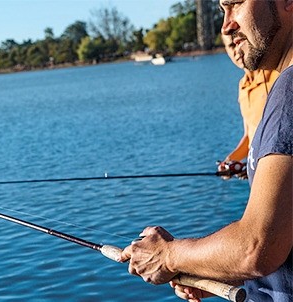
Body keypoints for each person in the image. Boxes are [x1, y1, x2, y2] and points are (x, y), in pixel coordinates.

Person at [119, 1, 293, 301]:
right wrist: (214, 267)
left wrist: (169, 255)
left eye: (236, 3)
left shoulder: (289, 92)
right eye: (222, 9)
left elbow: (257, 247)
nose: (226, 25)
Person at [218, 34, 280, 178]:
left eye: (239, 43)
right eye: (231, 46)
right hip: (259, 173)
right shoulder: (243, 87)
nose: (236, 51)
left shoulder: (277, 74)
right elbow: (249, 135)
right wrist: (230, 161)